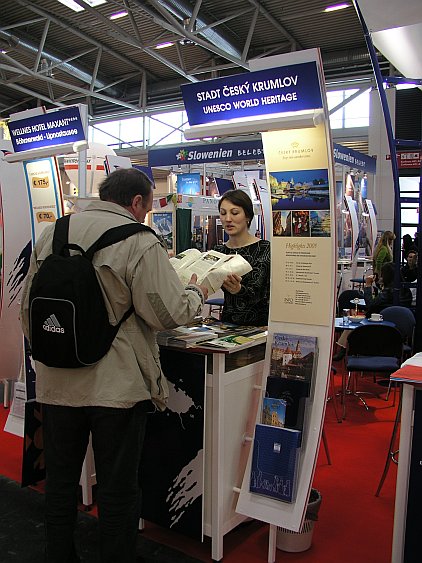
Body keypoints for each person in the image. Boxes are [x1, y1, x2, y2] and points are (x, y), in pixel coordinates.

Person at [19, 167, 208, 563]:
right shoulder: (139, 240)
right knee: (118, 490)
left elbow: (27, 311)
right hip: (116, 388)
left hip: (56, 384)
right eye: (147, 207)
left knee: (61, 481)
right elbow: (167, 312)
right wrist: (195, 292)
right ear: (137, 202)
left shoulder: (54, 233)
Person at [214, 189, 270, 326]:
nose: (228, 219)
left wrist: (238, 289)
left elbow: (258, 292)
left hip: (258, 328)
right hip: (227, 326)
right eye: (223, 213)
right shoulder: (219, 251)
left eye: (234, 213)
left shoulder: (264, 248)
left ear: (248, 216)